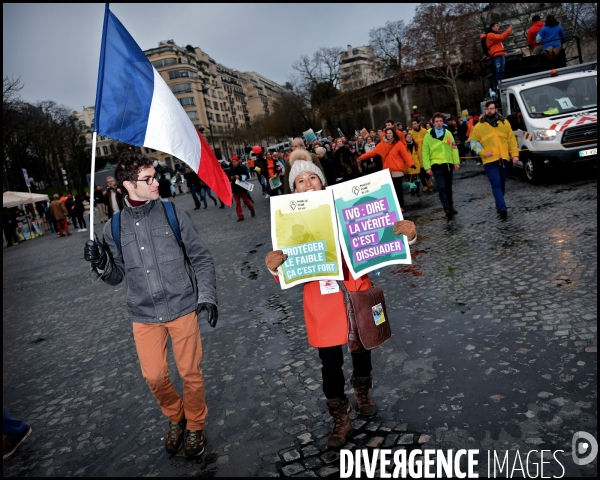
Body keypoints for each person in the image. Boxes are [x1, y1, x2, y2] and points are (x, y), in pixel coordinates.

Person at [264, 153, 418, 449]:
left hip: (356, 289)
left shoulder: (346, 206)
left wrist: (407, 236)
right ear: (293, 190)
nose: (307, 184)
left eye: (312, 178)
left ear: (321, 182)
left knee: (362, 349)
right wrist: (274, 266)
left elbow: (380, 234)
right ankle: (340, 417)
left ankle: (362, 391)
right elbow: (286, 268)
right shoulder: (288, 220)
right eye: (300, 180)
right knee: (330, 363)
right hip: (321, 302)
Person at [83, 152, 218, 459]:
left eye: (154, 176)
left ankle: (195, 424)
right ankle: (176, 416)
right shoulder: (113, 228)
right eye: (148, 179)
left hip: (182, 306)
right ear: (128, 185)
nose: (156, 182)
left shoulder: (173, 213)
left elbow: (201, 258)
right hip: (143, 313)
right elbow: (115, 277)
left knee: (190, 373)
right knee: (154, 376)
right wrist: (100, 261)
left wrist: (206, 296)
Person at [469, 101, 519, 219]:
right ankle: (503, 208)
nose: (489, 111)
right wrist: (482, 152)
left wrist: (515, 155)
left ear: (496, 109)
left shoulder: (504, 123)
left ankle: (499, 204)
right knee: (496, 183)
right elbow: (473, 143)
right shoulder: (479, 126)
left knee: (501, 184)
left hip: (503, 158)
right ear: (484, 110)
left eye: (491, 108)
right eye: (487, 109)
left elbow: (511, 139)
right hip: (489, 160)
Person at [358, 128, 415, 212]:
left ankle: (401, 205)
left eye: (390, 133)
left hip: (397, 169)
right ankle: (395, 205)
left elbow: (405, 155)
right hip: (387, 170)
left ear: (393, 134)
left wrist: (411, 164)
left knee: (398, 188)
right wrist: (362, 157)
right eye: (387, 133)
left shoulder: (398, 144)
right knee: (392, 189)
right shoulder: (382, 144)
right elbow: (373, 153)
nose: (388, 134)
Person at [422, 112, 461, 219]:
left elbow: (453, 148)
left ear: (443, 122)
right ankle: (446, 208)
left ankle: (450, 205)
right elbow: (425, 152)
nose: (439, 123)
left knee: (448, 187)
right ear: (433, 123)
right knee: (441, 187)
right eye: (437, 121)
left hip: (447, 165)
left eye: (440, 121)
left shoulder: (448, 133)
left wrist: (456, 162)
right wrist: (427, 167)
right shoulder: (428, 136)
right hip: (436, 165)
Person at [228, 155, 256, 222]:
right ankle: (240, 216)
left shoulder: (242, 167)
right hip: (234, 188)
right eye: (233, 162)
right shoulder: (230, 169)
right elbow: (228, 177)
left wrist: (240, 177)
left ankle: (252, 210)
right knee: (237, 203)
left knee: (246, 201)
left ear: (238, 162)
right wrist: (230, 178)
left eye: (235, 162)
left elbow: (247, 176)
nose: (233, 163)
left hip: (241, 186)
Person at [486, 22, 513, 88]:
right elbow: (501, 37)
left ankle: (502, 85)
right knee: (497, 72)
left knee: (502, 71)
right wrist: (509, 30)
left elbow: (500, 43)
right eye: (497, 26)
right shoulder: (490, 35)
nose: (498, 27)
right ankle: (496, 87)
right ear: (492, 27)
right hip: (496, 56)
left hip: (500, 55)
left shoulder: (496, 35)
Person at [409, 119, 433, 192]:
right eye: (413, 124)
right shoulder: (411, 133)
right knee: (419, 171)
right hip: (416, 155)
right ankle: (424, 185)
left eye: (415, 123)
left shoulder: (424, 131)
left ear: (418, 124)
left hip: (425, 153)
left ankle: (428, 179)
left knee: (427, 168)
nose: (414, 125)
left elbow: (429, 141)